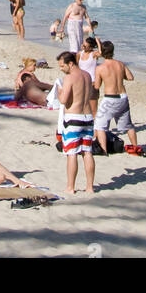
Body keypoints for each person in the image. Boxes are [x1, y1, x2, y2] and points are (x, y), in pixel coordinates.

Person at [57, 51, 96, 195]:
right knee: (87, 152)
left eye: (62, 66)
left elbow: (63, 100)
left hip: (74, 117)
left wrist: (60, 90)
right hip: (87, 117)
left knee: (72, 153)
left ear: (70, 63)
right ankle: (90, 187)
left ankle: (70, 187)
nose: (61, 68)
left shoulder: (69, 77)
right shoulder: (87, 75)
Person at [94, 40, 140, 155]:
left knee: (100, 125)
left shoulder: (100, 68)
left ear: (102, 53)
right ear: (113, 51)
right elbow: (130, 77)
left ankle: (104, 150)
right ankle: (136, 147)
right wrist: (119, 76)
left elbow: (97, 86)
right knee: (128, 125)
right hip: (123, 97)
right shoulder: (120, 64)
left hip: (110, 98)